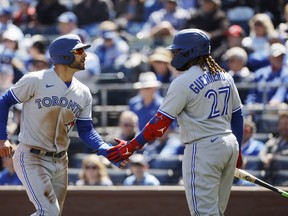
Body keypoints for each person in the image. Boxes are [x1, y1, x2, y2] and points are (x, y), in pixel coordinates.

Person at [107, 28, 244, 215]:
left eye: (177, 51)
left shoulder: (183, 81)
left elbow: (159, 124)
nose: (174, 56)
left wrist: (131, 147)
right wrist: (239, 151)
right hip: (229, 144)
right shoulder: (225, 76)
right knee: (216, 212)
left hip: (202, 148)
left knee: (204, 213)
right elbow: (238, 116)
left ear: (190, 52)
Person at [0, 34, 127, 216]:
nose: (85, 55)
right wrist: (2, 138)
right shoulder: (36, 79)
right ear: (65, 56)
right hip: (32, 156)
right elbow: (4, 101)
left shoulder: (83, 92)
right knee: (49, 212)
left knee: (53, 214)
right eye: (79, 51)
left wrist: (104, 148)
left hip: (61, 160)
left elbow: (86, 130)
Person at [259, 111, 288, 185]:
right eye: (281, 124)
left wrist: (274, 157)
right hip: (274, 183)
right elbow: (262, 152)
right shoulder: (273, 142)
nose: (284, 127)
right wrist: (265, 158)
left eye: (286, 124)